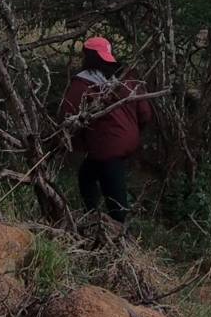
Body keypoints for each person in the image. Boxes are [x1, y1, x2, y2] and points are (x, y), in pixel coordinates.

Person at [59, 37, 152, 226]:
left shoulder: (83, 83)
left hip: (107, 146)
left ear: (87, 56)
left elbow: (67, 115)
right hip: (127, 141)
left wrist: (72, 141)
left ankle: (115, 229)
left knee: (114, 195)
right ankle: (93, 218)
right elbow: (145, 113)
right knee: (87, 174)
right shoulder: (127, 77)